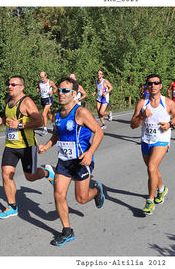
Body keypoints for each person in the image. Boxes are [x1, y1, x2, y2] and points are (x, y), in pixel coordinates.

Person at [38, 77, 105, 246]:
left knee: (81, 199)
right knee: (58, 194)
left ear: (74, 94)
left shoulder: (80, 112)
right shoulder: (58, 114)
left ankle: (96, 190)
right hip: (64, 161)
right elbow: (57, 135)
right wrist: (47, 146)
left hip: (81, 160)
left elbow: (98, 132)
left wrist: (90, 153)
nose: (61, 93)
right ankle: (67, 231)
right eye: (59, 90)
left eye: (65, 90)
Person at [0, 75, 52, 219]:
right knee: (6, 174)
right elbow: (8, 117)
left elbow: (39, 121)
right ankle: (12, 207)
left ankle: (47, 173)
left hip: (27, 146)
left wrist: (20, 125)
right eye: (9, 84)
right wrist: (1, 120)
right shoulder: (8, 101)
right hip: (11, 145)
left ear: (22, 87)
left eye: (14, 84)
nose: (10, 86)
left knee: (30, 177)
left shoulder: (27, 102)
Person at [130, 74, 175, 216]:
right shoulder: (142, 103)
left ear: (161, 86)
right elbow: (133, 125)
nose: (153, 86)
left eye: (156, 83)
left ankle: (150, 201)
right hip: (146, 140)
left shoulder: (168, 103)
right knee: (153, 169)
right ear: (146, 86)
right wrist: (142, 116)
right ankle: (161, 189)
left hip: (162, 140)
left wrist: (170, 124)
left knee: (152, 167)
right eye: (150, 83)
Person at [36, 72, 57, 136]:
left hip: (48, 98)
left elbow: (56, 88)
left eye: (43, 77)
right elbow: (39, 88)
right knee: (49, 113)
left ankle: (45, 130)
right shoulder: (39, 82)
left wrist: (52, 91)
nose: (42, 78)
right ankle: (55, 127)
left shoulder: (50, 82)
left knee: (44, 114)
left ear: (46, 76)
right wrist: (38, 89)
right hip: (43, 99)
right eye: (40, 77)